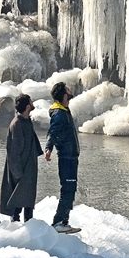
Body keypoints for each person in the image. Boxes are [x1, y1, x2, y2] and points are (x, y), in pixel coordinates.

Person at [0, 94, 43, 223]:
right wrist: (18, 173)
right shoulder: (17, 123)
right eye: (31, 101)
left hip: (28, 168)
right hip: (21, 170)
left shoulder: (26, 121)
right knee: (17, 201)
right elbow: (14, 152)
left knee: (28, 200)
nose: (32, 103)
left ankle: (29, 225)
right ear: (28, 106)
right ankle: (17, 229)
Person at [45, 82, 81, 234]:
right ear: (64, 95)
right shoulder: (59, 113)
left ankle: (63, 221)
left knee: (70, 189)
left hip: (70, 156)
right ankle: (59, 222)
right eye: (67, 89)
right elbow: (52, 132)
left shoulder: (63, 110)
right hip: (66, 157)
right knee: (67, 189)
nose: (70, 90)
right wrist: (48, 148)